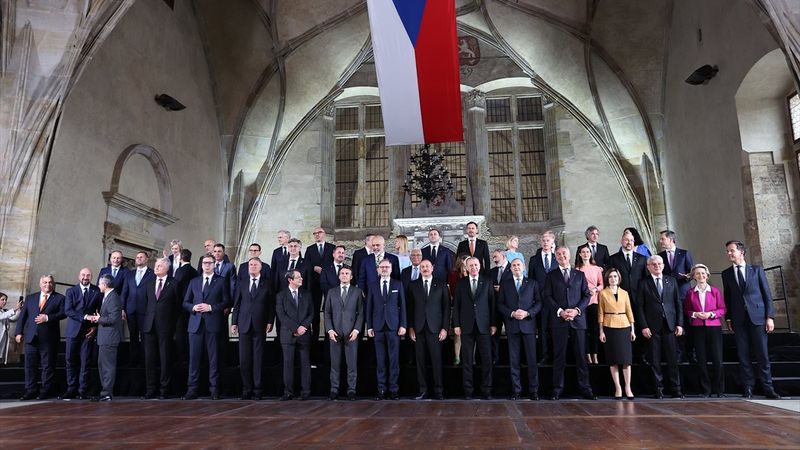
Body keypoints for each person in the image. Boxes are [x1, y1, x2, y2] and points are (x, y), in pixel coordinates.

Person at [721, 240, 781, 399]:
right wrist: (728, 319)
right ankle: (748, 387)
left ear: (741, 252)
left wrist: (770, 316)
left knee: (762, 354)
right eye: (727, 251)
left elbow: (767, 294)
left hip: (758, 317)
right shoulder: (726, 273)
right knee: (743, 354)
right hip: (738, 319)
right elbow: (728, 298)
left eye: (731, 250)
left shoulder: (756, 269)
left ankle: (768, 388)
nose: (729, 254)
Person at [543, 247, 595, 400]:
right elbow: (547, 296)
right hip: (559, 321)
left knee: (581, 356)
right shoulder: (551, 275)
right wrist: (561, 311)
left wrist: (577, 310)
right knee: (559, 357)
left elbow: (586, 295)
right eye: (558, 254)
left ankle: (586, 388)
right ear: (555, 257)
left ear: (570, 255)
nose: (562, 256)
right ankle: (557, 389)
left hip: (578, 321)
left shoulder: (579, 275)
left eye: (564, 253)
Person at [182, 253, 230, 400]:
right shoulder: (194, 281)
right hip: (195, 325)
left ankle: (214, 389)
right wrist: (193, 307)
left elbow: (226, 301)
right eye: (204, 263)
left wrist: (211, 307)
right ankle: (192, 389)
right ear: (201, 265)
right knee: (194, 359)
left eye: (209, 262)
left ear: (214, 264)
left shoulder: (221, 281)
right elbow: (185, 302)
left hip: (212, 324)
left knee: (213, 359)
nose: (207, 265)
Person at [637, 255, 684, 399]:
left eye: (659, 263)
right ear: (648, 267)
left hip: (670, 325)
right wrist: (644, 326)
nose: (657, 266)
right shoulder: (643, 283)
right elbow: (640, 307)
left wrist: (680, 324)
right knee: (655, 360)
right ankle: (658, 389)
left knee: (672, 360)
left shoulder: (672, 281)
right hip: (652, 327)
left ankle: (676, 389)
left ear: (663, 265)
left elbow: (678, 304)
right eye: (653, 264)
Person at [497, 258, 541, 400]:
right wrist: (512, 313)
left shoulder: (533, 283)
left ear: (523, 267)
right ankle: (516, 390)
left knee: (532, 360)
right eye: (513, 265)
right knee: (514, 360)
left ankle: (534, 390)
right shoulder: (505, 284)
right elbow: (500, 304)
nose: (516, 267)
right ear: (510, 269)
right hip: (512, 326)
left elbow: (539, 303)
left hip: (528, 325)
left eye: (518, 265)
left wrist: (528, 313)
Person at [16, 274, 65, 400]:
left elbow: (64, 313)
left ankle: (45, 390)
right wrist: (18, 332)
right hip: (31, 337)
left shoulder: (59, 298)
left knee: (47, 365)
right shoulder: (31, 298)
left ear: (53, 284)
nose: (47, 285)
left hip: (48, 338)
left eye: (50, 282)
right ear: (40, 284)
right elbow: (23, 316)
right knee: (30, 365)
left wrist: (48, 318)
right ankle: (30, 390)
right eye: (45, 282)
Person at [231, 257, 274, 400]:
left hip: (260, 324)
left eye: (255, 265)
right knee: (244, 359)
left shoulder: (267, 283)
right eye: (250, 265)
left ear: (261, 267)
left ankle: (257, 389)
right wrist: (234, 322)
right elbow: (236, 304)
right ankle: (246, 389)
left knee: (258, 358)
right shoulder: (242, 283)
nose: (253, 267)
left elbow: (270, 305)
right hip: (243, 325)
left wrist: (270, 321)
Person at [453, 257, 496, 400]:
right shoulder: (461, 284)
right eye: (471, 265)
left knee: (486, 359)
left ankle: (487, 390)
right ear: (466, 267)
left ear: (480, 266)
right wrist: (456, 325)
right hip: (466, 327)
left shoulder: (488, 281)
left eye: (476, 265)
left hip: (484, 326)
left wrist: (493, 324)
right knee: (466, 360)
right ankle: (468, 391)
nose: (474, 267)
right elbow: (457, 306)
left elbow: (492, 305)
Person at [407, 259, 449, 400]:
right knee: (420, 361)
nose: (424, 268)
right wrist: (411, 328)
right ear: (419, 269)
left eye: (427, 266)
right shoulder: (413, 285)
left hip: (436, 329)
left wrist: (445, 328)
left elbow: (446, 309)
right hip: (418, 329)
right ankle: (423, 390)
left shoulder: (441, 284)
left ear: (433, 268)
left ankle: (439, 390)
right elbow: (410, 308)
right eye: (422, 266)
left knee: (436, 360)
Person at [366, 259, 407, 400]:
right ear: (378, 269)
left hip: (394, 327)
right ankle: (381, 389)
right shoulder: (372, 285)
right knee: (380, 361)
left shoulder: (398, 284)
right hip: (377, 327)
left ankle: (394, 389)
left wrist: (403, 325)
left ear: (391, 269)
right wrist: (369, 326)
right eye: (382, 267)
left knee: (394, 360)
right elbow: (369, 308)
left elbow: (403, 307)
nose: (384, 269)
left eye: (386, 267)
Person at [684, 263, 726, 397]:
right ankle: (706, 390)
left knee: (717, 359)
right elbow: (687, 310)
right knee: (701, 360)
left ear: (707, 276)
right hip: (697, 328)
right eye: (697, 274)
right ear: (694, 277)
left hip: (713, 326)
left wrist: (711, 314)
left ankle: (719, 390)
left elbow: (722, 309)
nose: (700, 276)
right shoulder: (690, 293)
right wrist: (695, 314)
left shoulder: (715, 291)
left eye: (703, 273)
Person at [324, 265, 363, 401]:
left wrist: (356, 330)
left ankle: (351, 390)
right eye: (342, 273)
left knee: (351, 364)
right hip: (334, 333)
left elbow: (361, 314)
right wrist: (329, 330)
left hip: (351, 333)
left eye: (347, 273)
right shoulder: (332, 292)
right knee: (335, 364)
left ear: (351, 277)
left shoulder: (357, 292)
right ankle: (334, 389)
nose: (344, 275)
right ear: (339, 276)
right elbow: (327, 313)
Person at [142, 258, 179, 399]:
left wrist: (173, 324)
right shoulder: (149, 284)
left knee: (165, 358)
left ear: (166, 268)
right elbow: (146, 304)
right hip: (149, 326)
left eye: (159, 266)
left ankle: (164, 389)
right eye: (156, 265)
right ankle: (150, 389)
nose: (156, 268)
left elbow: (177, 306)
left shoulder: (174, 283)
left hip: (166, 326)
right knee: (149, 359)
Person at [62, 268, 101, 400]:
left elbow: (100, 312)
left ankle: (82, 390)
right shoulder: (71, 291)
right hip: (72, 331)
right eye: (83, 275)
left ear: (91, 277)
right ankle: (71, 389)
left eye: (88, 275)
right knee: (70, 360)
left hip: (88, 333)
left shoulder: (97, 291)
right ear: (79, 276)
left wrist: (95, 327)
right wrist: (85, 317)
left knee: (85, 361)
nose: (85, 277)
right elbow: (68, 310)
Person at [598, 268, 635, 400]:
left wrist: (633, 329)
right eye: (611, 277)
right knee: (613, 359)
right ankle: (618, 387)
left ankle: (628, 387)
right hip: (609, 325)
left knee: (626, 360)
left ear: (619, 278)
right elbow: (600, 313)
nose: (613, 279)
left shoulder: (624, 293)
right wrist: (601, 331)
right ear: (607, 279)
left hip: (624, 325)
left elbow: (629, 311)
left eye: (615, 276)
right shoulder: (602, 293)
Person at [276, 270, 313, 400]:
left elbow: (311, 313)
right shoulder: (281, 296)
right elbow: (281, 315)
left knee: (305, 363)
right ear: (290, 280)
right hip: (288, 334)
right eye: (298, 278)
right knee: (288, 364)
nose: (301, 279)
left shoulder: (306, 294)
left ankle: (305, 392)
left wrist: (303, 327)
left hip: (304, 333)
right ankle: (288, 392)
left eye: (301, 277)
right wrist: (295, 328)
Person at [89, 274, 123, 402]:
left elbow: (113, 319)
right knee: (102, 365)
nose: (98, 286)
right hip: (104, 337)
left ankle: (107, 393)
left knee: (107, 366)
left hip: (110, 338)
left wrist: (99, 319)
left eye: (99, 283)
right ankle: (105, 392)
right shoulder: (107, 297)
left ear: (105, 284)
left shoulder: (113, 297)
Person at [121, 250, 154, 367]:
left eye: (141, 257)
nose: (138, 259)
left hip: (145, 311)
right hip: (130, 310)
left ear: (146, 260)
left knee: (145, 337)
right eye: (137, 257)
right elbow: (124, 292)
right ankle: (133, 361)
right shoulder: (129, 274)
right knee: (133, 336)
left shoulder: (152, 274)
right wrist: (122, 308)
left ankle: (145, 362)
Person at [529, 230, 558, 364]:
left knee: (554, 329)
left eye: (548, 240)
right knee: (541, 329)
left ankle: (555, 356)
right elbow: (530, 280)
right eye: (543, 240)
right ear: (541, 242)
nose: (545, 242)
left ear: (552, 242)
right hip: (539, 300)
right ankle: (544, 356)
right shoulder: (533, 260)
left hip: (554, 300)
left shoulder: (557, 258)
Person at [576, 246, 604, 365]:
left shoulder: (597, 268)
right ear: (580, 254)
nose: (586, 254)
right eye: (583, 252)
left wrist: (596, 289)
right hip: (582, 302)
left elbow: (602, 284)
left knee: (594, 329)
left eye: (588, 252)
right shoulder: (577, 269)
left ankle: (595, 355)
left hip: (594, 300)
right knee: (584, 329)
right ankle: (587, 354)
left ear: (590, 254)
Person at [306, 227, 335, 340]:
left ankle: (330, 335)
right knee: (315, 309)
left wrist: (325, 270)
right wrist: (314, 267)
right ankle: (315, 336)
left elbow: (335, 264)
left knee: (330, 309)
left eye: (319, 233)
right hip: (314, 283)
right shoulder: (310, 249)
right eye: (315, 233)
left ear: (324, 234)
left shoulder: (332, 248)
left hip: (328, 283)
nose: (317, 235)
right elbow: (306, 265)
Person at [173, 248, 197, 363]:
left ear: (181, 258)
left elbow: (176, 288)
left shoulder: (179, 271)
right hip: (192, 306)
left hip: (180, 307)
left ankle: (181, 358)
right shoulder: (194, 271)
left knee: (180, 333)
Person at [447, 254, 470, 365]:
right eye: (466, 261)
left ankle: (471, 357)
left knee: (471, 334)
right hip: (458, 306)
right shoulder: (453, 275)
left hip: (470, 307)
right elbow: (453, 291)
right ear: (461, 262)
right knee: (458, 333)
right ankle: (457, 356)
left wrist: (466, 273)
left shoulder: (472, 273)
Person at [0, 293, 21, 365]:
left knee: (1, 357)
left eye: (5, 300)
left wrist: (19, 310)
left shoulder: (3, 311)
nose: (5, 302)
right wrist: (15, 309)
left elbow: (13, 318)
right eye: (2, 300)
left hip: (3, 337)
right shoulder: (4, 313)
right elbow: (2, 316)